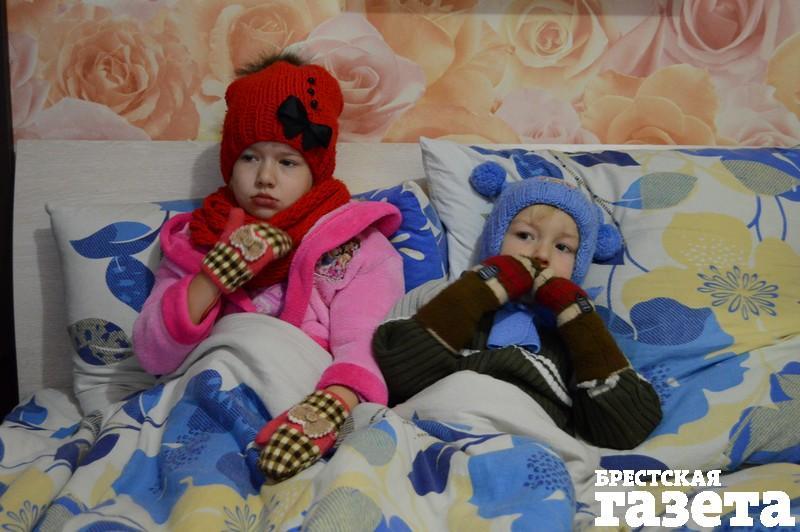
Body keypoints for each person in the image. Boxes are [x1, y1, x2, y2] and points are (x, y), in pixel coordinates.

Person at [132, 52, 404, 481]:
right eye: (250, 157)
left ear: (315, 170)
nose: (265, 177)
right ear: (229, 163)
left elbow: (363, 345)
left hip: (302, 401)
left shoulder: (357, 247)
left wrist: (327, 408)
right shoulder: (196, 241)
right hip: (204, 397)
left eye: (287, 161)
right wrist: (213, 276)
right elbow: (153, 354)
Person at [373, 175, 662, 449]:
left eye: (562, 247)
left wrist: (579, 319)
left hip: (527, 444)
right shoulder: (441, 295)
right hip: (428, 431)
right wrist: (477, 290)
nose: (541, 254)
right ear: (496, 238)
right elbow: (395, 373)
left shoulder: (578, 335)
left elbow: (625, 430)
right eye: (525, 235)